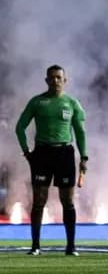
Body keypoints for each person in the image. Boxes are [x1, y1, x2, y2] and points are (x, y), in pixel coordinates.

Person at [15, 65, 88, 256]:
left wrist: (84, 157)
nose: (55, 80)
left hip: (65, 153)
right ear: (46, 80)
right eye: (52, 77)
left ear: (65, 80)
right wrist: (26, 152)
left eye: (58, 77)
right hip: (42, 153)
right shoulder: (37, 102)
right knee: (39, 201)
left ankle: (71, 246)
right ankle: (35, 246)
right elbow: (20, 127)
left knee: (68, 201)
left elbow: (80, 132)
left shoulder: (72, 103)